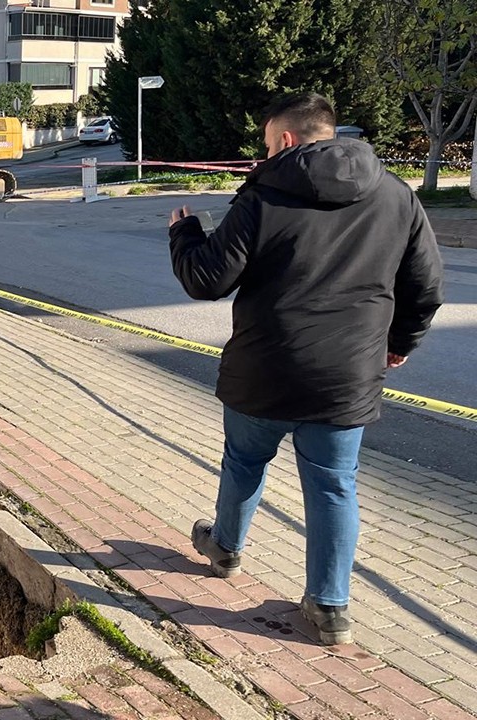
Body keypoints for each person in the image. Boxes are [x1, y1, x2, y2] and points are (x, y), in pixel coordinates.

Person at [168, 92, 443, 645]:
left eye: (268, 145)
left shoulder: (263, 194)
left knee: (244, 461)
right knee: (335, 486)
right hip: (346, 375)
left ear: (287, 139)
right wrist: (399, 342)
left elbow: (207, 279)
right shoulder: (396, 195)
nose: (264, 155)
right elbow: (426, 285)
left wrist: (185, 233)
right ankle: (329, 606)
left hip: (264, 368)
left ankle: (225, 548)